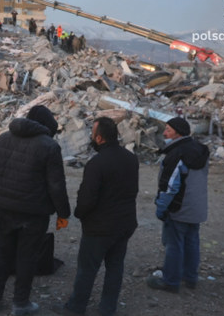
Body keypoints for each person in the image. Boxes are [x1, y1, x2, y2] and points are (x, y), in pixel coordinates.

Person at [0, 105, 71, 316]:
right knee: (27, 257)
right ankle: (20, 303)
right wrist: (63, 213)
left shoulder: (4, 138)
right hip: (34, 214)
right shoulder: (49, 146)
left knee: (3, 252)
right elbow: (56, 185)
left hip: (4, 209)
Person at [53, 117, 139, 316]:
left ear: (99, 138)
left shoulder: (97, 163)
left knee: (87, 269)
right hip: (124, 224)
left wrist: (79, 214)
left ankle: (76, 307)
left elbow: (87, 198)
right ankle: (107, 308)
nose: (91, 137)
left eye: (93, 134)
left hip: (100, 227)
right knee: (115, 268)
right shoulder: (130, 158)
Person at [146, 117, 209, 293]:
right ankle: (190, 278)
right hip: (196, 207)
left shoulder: (177, 154)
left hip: (179, 207)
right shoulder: (201, 150)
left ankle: (171, 281)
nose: (164, 133)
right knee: (192, 241)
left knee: (174, 244)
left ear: (178, 132)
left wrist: (161, 207)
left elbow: (170, 186)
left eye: (168, 129)